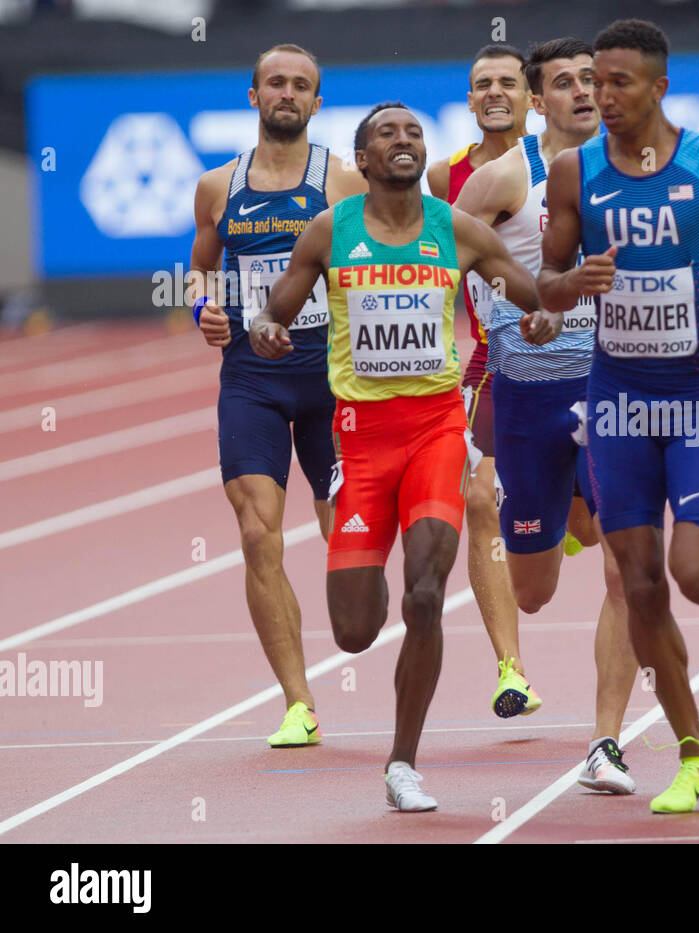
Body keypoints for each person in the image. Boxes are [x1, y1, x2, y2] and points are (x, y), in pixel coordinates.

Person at [250, 102, 546, 810]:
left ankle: (402, 761)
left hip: (436, 429)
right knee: (354, 629)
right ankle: (370, 586)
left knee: (425, 592)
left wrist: (543, 313)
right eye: (388, 133)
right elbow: (278, 307)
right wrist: (264, 328)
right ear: (365, 157)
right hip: (361, 441)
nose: (404, 140)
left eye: (414, 132)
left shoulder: (457, 229)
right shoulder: (331, 230)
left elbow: (528, 290)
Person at [538, 19, 699, 812]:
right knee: (640, 585)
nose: (600, 97)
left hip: (696, 398)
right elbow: (545, 281)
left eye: (618, 83)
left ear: (659, 86)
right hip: (615, 399)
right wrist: (573, 286)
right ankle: (693, 751)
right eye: (592, 83)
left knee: (698, 579)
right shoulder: (575, 173)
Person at [454, 36, 638, 793]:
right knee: (532, 588)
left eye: (591, 80)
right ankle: (564, 510)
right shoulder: (505, 177)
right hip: (525, 393)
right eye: (564, 83)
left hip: (614, 383)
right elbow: (439, 259)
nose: (583, 93)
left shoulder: (635, 170)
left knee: (629, 567)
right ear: (539, 102)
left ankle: (606, 740)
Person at [189, 43, 367, 748]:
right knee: (258, 532)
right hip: (252, 381)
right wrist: (205, 305)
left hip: (329, 377)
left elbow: (371, 263)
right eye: (275, 83)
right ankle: (298, 701)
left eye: (301, 85)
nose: (287, 93)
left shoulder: (343, 182)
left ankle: (361, 628)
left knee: (343, 534)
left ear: (317, 102)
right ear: (254, 95)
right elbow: (202, 267)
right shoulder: (217, 187)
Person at [426, 45, 539, 717]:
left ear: (531, 98)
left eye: (508, 83)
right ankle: (511, 669)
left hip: (575, 357)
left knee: (573, 520)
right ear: (469, 100)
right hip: (491, 360)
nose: (495, 93)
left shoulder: (561, 165)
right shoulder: (447, 174)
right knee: (479, 500)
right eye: (482, 85)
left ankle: (562, 516)